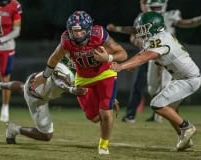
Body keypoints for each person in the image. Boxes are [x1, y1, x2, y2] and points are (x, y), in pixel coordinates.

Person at [31, 11, 128, 154]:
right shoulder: (66, 40)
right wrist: (44, 77)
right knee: (94, 118)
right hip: (83, 77)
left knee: (105, 113)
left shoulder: (99, 34)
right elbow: (54, 58)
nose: (77, 35)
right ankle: (109, 102)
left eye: (80, 30)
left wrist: (108, 58)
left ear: (88, 29)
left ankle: (103, 145)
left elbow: (123, 54)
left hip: (104, 73)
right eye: (74, 31)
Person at [110, 11, 201, 151]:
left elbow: (144, 57)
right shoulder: (156, 37)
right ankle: (184, 138)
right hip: (182, 77)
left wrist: (122, 66)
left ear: (154, 26)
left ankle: (186, 127)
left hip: (188, 79)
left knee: (157, 104)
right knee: (170, 109)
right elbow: (142, 54)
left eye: (143, 27)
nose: (140, 31)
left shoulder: (160, 39)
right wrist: (131, 64)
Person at [144, 0, 201, 122]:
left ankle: (164, 115)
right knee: (152, 87)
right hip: (152, 53)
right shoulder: (145, 18)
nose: (155, 9)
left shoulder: (169, 16)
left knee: (166, 86)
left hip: (167, 54)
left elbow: (186, 23)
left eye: (157, 7)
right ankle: (160, 112)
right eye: (153, 7)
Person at [0, 62, 87, 144]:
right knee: (46, 135)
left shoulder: (70, 58)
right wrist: (71, 89)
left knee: (23, 87)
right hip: (37, 98)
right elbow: (57, 78)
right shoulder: (66, 67)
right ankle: (14, 129)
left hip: (36, 80)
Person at [106, 1, 148, 123]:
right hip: (145, 55)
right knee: (138, 85)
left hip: (160, 54)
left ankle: (167, 114)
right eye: (143, 3)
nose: (144, 5)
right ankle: (131, 115)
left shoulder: (161, 16)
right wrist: (138, 42)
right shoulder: (140, 18)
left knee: (160, 86)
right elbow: (133, 35)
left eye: (145, 2)